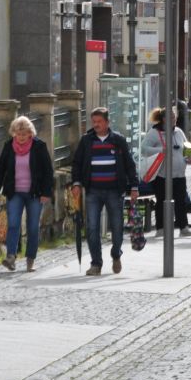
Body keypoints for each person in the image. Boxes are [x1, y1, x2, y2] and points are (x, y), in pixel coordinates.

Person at [70, 107, 140, 276]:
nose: (96, 125)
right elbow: (77, 164)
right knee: (92, 227)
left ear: (108, 122)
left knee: (117, 227)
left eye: (99, 122)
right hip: (93, 190)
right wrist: (76, 183)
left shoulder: (118, 140)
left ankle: (116, 254)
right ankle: (96, 263)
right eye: (93, 122)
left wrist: (134, 186)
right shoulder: (87, 140)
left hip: (114, 191)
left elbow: (130, 165)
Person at [0, 116, 54, 272]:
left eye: (24, 134)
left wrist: (46, 192)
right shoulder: (8, 147)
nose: (21, 137)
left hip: (35, 193)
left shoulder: (39, 146)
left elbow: (48, 171)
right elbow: (0, 170)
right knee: (13, 224)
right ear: (14, 133)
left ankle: (30, 258)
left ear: (30, 133)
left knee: (33, 227)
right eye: (18, 134)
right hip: (15, 192)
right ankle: (11, 256)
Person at [141, 107, 191, 238]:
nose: (174, 119)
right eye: (171, 117)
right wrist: (160, 150)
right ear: (164, 119)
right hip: (162, 175)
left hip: (179, 174)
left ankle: (184, 228)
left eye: (174, 116)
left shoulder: (178, 131)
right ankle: (160, 228)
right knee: (161, 201)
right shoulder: (155, 132)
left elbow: (186, 146)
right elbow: (143, 148)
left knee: (181, 202)